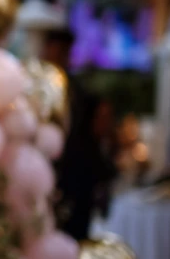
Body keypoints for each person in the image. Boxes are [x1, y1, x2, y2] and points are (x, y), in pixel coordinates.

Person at [41, 28, 115, 241]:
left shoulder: (80, 93)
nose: (59, 56)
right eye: (56, 50)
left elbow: (96, 133)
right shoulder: (38, 88)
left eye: (63, 52)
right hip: (48, 172)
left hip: (77, 176)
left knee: (74, 234)